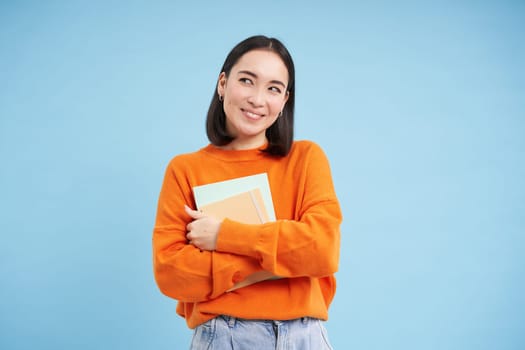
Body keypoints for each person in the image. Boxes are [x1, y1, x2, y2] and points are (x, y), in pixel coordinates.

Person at [152, 35, 342, 349]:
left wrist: (223, 236)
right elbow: (172, 274)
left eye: (273, 88)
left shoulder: (306, 158)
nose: (257, 98)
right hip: (224, 335)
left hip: (304, 338)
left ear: (284, 101)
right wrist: (280, 265)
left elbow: (322, 250)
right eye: (246, 80)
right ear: (223, 83)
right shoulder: (185, 169)